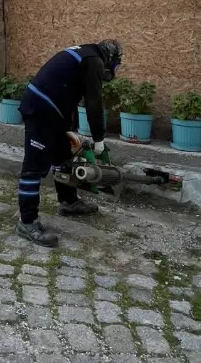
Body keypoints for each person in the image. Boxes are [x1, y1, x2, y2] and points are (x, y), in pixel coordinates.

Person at [14, 40, 123, 247]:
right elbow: (93, 102)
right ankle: (27, 222)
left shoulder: (85, 53)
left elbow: (67, 92)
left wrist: (68, 129)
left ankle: (68, 202)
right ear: (111, 59)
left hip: (52, 109)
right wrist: (99, 139)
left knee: (63, 157)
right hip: (40, 110)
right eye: (116, 65)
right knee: (33, 168)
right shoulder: (94, 61)